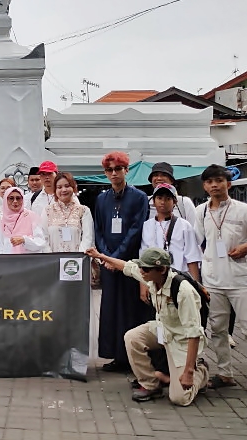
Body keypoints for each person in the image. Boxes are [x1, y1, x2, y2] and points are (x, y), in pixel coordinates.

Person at [194, 164, 247, 402]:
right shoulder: (200, 211)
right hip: (213, 280)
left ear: (228, 184)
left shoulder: (245, 211)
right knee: (218, 329)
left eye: (219, 180)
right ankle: (225, 373)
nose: (214, 185)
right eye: (209, 182)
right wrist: (199, 279)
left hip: (241, 280)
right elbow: (198, 243)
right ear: (204, 186)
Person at [86, 247, 209, 405]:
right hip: (163, 330)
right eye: (141, 267)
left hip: (182, 341)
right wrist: (99, 256)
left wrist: (189, 372)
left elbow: (194, 333)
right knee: (132, 337)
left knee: (180, 398)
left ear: (162, 269)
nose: (141, 272)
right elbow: (126, 266)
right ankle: (150, 384)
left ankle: (201, 371)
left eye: (145, 269)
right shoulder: (152, 276)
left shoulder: (183, 291)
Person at [93, 151, 149, 372]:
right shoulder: (101, 198)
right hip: (108, 264)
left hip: (130, 263)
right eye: (109, 170)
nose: (114, 173)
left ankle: (131, 357)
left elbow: (136, 229)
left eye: (118, 169)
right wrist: (106, 256)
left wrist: (117, 257)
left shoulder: (139, 197)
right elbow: (99, 229)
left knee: (129, 308)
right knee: (110, 309)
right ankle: (114, 355)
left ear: (126, 170)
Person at [141, 184, 202, 279]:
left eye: (168, 199)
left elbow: (192, 258)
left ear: (175, 202)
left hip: (179, 277)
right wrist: (143, 285)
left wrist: (196, 284)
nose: (163, 202)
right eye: (159, 198)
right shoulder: (147, 226)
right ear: (153, 201)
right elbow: (143, 257)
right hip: (154, 278)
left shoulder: (184, 226)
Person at [41, 172, 94, 252]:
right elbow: (43, 238)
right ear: (55, 190)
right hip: (53, 261)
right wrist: (51, 259)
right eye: (59, 187)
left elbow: (88, 238)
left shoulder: (83, 211)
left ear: (73, 187)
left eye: (67, 186)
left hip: (77, 261)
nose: (64, 190)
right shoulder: (47, 211)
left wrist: (78, 258)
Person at [0, 186, 46, 254]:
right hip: (8, 262)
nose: (15, 201)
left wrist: (24, 240)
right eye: (11, 198)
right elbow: (1, 245)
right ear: (6, 200)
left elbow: (41, 242)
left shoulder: (30, 216)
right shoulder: (4, 219)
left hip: (28, 261)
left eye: (18, 198)